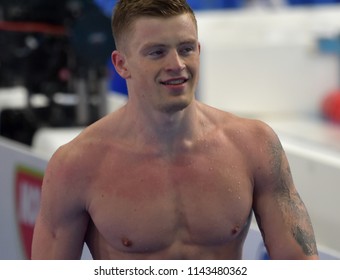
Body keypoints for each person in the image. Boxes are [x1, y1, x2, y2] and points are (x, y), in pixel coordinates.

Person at [31, 0, 319, 260]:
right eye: (157, 53)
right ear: (121, 64)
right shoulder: (76, 165)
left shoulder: (254, 145)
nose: (177, 65)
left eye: (186, 49)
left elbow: (299, 266)